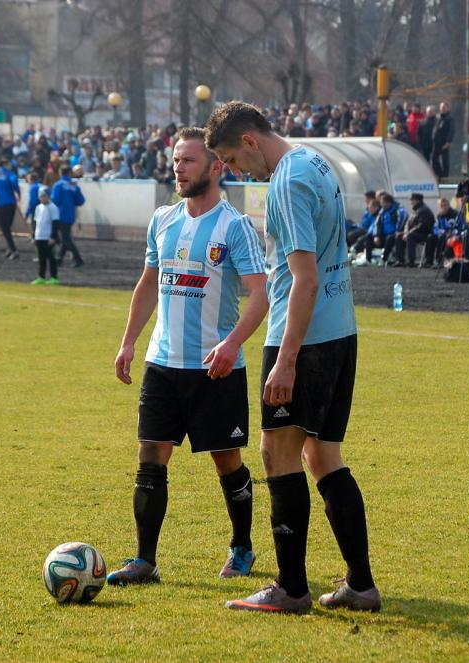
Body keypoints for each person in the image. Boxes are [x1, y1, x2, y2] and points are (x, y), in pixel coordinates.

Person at [205, 101, 380, 614]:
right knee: (322, 456)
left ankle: (291, 589)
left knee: (276, 454)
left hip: (304, 340)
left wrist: (285, 360)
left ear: (252, 142)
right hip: (340, 333)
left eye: (232, 159)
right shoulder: (315, 161)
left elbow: (304, 279)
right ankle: (360, 585)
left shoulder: (284, 183)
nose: (235, 171)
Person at [108, 127, 268, 586]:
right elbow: (147, 287)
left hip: (214, 369)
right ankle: (144, 561)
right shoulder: (162, 219)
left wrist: (233, 341)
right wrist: (128, 342)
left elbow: (260, 295)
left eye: (188, 161)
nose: (178, 168)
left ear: (216, 166)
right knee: (150, 459)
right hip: (163, 365)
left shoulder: (234, 227)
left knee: (227, 461)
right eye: (176, 160)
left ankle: (241, 548)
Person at [49, 165, 86, 267]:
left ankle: (78, 258)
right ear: (70, 173)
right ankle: (59, 259)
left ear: (60, 173)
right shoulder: (74, 185)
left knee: (66, 238)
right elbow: (81, 201)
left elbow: (55, 200)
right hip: (71, 215)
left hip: (60, 214)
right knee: (66, 236)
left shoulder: (58, 185)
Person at [0, 158, 21, 259]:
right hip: (11, 203)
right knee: (8, 227)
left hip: (1, 204)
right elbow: (15, 186)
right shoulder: (11, 175)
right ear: (5, 165)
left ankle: (13, 249)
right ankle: (10, 248)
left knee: (4, 228)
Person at [30, 186, 60, 285]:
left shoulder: (53, 207)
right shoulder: (38, 208)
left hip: (48, 237)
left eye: (45, 196)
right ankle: (41, 277)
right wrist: (34, 236)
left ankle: (54, 277)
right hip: (40, 236)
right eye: (41, 196)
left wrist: (53, 237)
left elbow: (55, 223)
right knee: (41, 258)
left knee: (51, 258)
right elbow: (35, 223)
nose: (43, 198)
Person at [399, 193, 435, 267]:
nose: (411, 202)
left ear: (417, 201)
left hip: (425, 234)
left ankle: (411, 261)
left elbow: (422, 225)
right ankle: (400, 260)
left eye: (412, 200)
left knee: (410, 236)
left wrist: (408, 232)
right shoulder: (415, 210)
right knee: (398, 236)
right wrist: (405, 232)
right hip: (415, 233)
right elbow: (407, 223)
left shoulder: (424, 210)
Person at [424, 197, 461, 268]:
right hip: (443, 234)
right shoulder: (439, 216)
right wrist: (439, 231)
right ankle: (428, 261)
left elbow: (458, 227)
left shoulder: (455, 214)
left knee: (443, 237)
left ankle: (439, 261)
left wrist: (449, 232)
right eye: (441, 206)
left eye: (445, 205)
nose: (443, 207)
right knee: (430, 237)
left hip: (453, 235)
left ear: (449, 205)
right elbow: (435, 228)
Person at [431, 102, 454, 178]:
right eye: (441, 107)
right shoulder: (438, 117)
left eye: (444, 107)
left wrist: (448, 142)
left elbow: (451, 130)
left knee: (445, 161)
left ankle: (445, 176)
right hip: (436, 142)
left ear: (447, 108)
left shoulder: (450, 118)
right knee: (434, 159)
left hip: (444, 143)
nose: (442, 109)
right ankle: (440, 174)